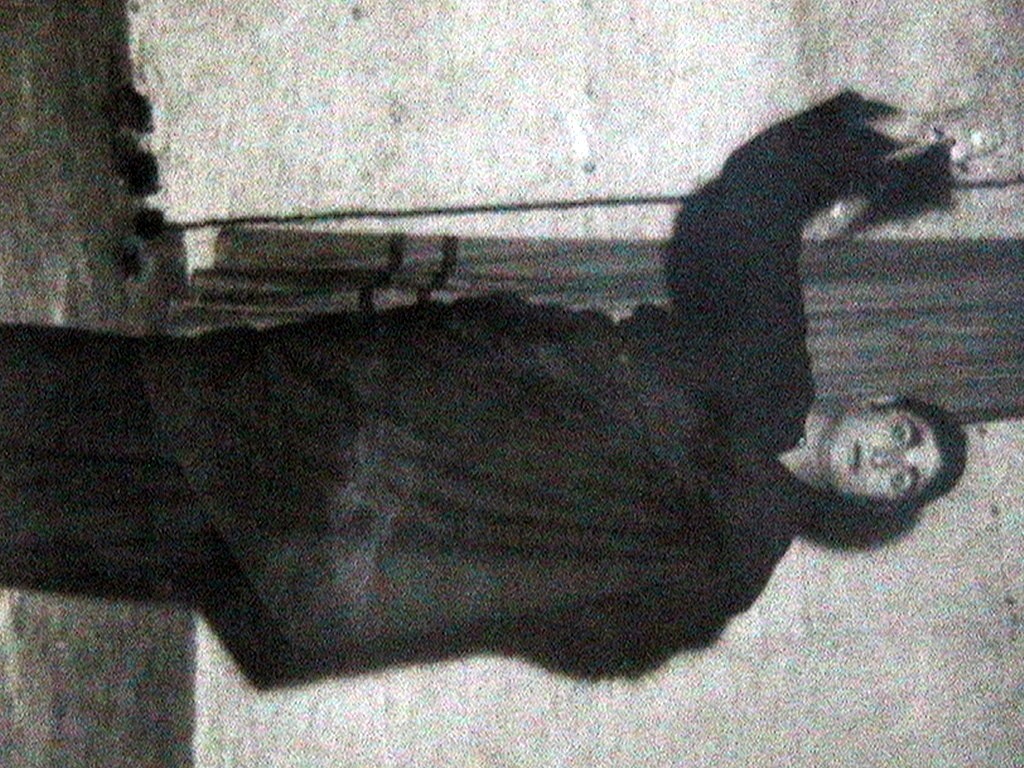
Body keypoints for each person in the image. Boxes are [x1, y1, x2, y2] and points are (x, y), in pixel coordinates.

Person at [0, 92, 967, 686]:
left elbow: (599, 640)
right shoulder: (772, 367)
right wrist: (880, 149)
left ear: (872, 506)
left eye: (901, 480)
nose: (887, 459)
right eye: (906, 438)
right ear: (881, 405)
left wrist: (491, 562)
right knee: (167, 397)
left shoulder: (741, 562)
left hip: (415, 525)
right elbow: (744, 217)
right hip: (422, 395)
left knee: (169, 534)